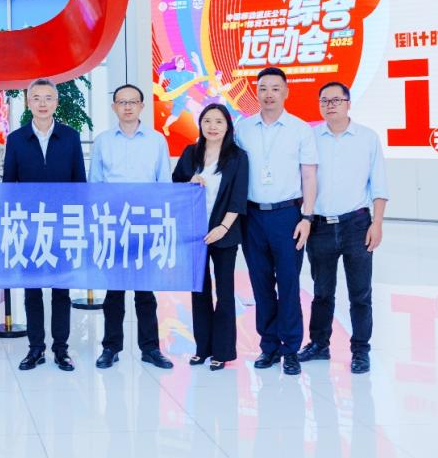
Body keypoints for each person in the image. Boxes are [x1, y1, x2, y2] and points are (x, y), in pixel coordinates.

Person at [298, 81, 388, 374]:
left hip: (357, 224)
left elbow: (379, 185)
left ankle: (360, 350)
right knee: (322, 292)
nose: (330, 105)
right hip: (320, 226)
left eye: (336, 100)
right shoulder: (310, 138)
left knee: (360, 293)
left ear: (348, 103)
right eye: (324, 101)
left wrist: (377, 223)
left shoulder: (367, 138)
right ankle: (319, 344)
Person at [234, 67, 317, 376]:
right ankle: (268, 346)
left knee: (289, 283)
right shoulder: (243, 128)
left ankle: (291, 348)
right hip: (252, 216)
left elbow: (309, 176)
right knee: (261, 283)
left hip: (288, 216)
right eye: (263, 88)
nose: (268, 94)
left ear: (286, 92)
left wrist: (307, 216)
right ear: (256, 92)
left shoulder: (300, 129)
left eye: (275, 88)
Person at [3, 79, 85, 372]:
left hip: (62, 226)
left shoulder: (71, 137)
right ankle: (35, 348)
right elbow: (9, 185)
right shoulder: (16, 139)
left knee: (62, 289)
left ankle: (61, 349)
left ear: (56, 102)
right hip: (29, 226)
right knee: (32, 290)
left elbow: (79, 184)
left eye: (48, 98)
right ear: (28, 103)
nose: (42, 103)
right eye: (36, 98)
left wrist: (76, 223)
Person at [90, 84, 173, 370]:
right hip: (113, 224)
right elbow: (95, 185)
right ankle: (110, 347)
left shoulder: (156, 141)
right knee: (114, 290)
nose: (127, 107)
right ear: (114, 107)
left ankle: (150, 348)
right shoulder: (103, 141)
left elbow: (164, 184)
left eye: (132, 102)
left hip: (146, 223)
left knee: (145, 291)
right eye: (122, 102)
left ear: (141, 106)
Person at [172, 104, 248, 370]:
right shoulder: (190, 153)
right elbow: (176, 184)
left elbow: (238, 198)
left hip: (224, 233)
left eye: (218, 121)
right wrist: (190, 180)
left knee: (225, 293)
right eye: (207, 121)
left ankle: (222, 351)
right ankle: (202, 348)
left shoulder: (238, 157)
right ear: (200, 124)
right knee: (199, 291)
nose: (212, 126)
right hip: (194, 233)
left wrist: (223, 228)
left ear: (228, 126)